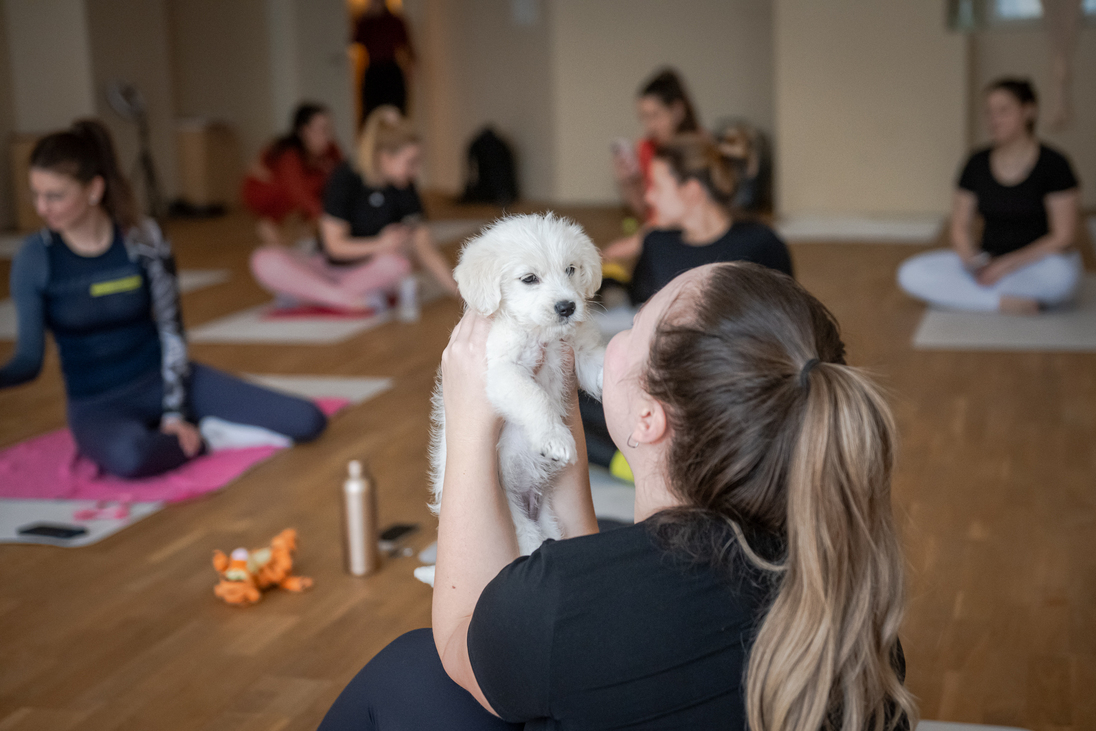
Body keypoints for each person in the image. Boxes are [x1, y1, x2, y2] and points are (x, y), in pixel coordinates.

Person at [318, 262, 917, 730]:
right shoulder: (838, 571)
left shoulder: (565, 602)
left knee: (414, 670)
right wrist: (558, 418)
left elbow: (460, 640)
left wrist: (471, 419)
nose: (614, 333)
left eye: (635, 326)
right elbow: (594, 584)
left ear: (650, 418)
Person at [0, 120, 327, 479]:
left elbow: (172, 330)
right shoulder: (35, 258)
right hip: (98, 405)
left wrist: (174, 413)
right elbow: (28, 360)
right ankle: (207, 438)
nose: (42, 207)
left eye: (55, 195)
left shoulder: (143, 237)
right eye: (37, 194)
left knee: (307, 420)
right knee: (131, 457)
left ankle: (186, 425)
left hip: (164, 380)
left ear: (93, 190)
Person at [249, 106, 459, 313]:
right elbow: (334, 247)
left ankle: (313, 295)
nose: (416, 170)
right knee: (265, 260)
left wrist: (460, 294)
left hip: (367, 272)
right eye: (411, 162)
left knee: (398, 265)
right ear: (385, 156)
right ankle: (341, 299)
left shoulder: (404, 186)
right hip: (328, 267)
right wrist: (380, 244)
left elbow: (424, 246)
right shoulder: (345, 177)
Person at [898, 78, 1082, 314]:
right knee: (911, 273)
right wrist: (973, 262)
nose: (994, 119)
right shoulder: (976, 163)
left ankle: (979, 296)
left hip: (1036, 262)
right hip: (988, 259)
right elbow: (960, 227)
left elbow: (1063, 236)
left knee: (1062, 277)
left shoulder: (1054, 164)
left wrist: (1005, 266)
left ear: (1028, 111)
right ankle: (1004, 302)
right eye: (989, 112)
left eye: (1003, 111)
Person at [604, 132, 792, 306]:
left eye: (657, 187)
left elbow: (786, 322)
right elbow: (635, 309)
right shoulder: (656, 244)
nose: (649, 197)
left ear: (691, 191)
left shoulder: (760, 244)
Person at [241, 102, 342, 250]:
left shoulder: (331, 150)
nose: (327, 135)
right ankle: (271, 224)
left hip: (292, 190)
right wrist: (330, 219)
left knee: (324, 180)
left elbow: (343, 177)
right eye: (322, 130)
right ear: (304, 131)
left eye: (329, 129)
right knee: (310, 184)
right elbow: (298, 191)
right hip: (264, 191)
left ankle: (305, 234)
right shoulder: (290, 153)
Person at [613, 67, 701, 219]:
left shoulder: (702, 147)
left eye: (655, 115)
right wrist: (628, 182)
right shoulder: (646, 147)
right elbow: (645, 209)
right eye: (644, 118)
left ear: (677, 111)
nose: (649, 126)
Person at [353, 0, 414, 120]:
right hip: (373, 71)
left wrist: (409, 68)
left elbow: (407, 47)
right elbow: (355, 39)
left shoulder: (394, 21)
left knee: (395, 110)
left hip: (391, 70)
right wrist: (364, 16)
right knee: (372, 111)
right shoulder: (366, 22)